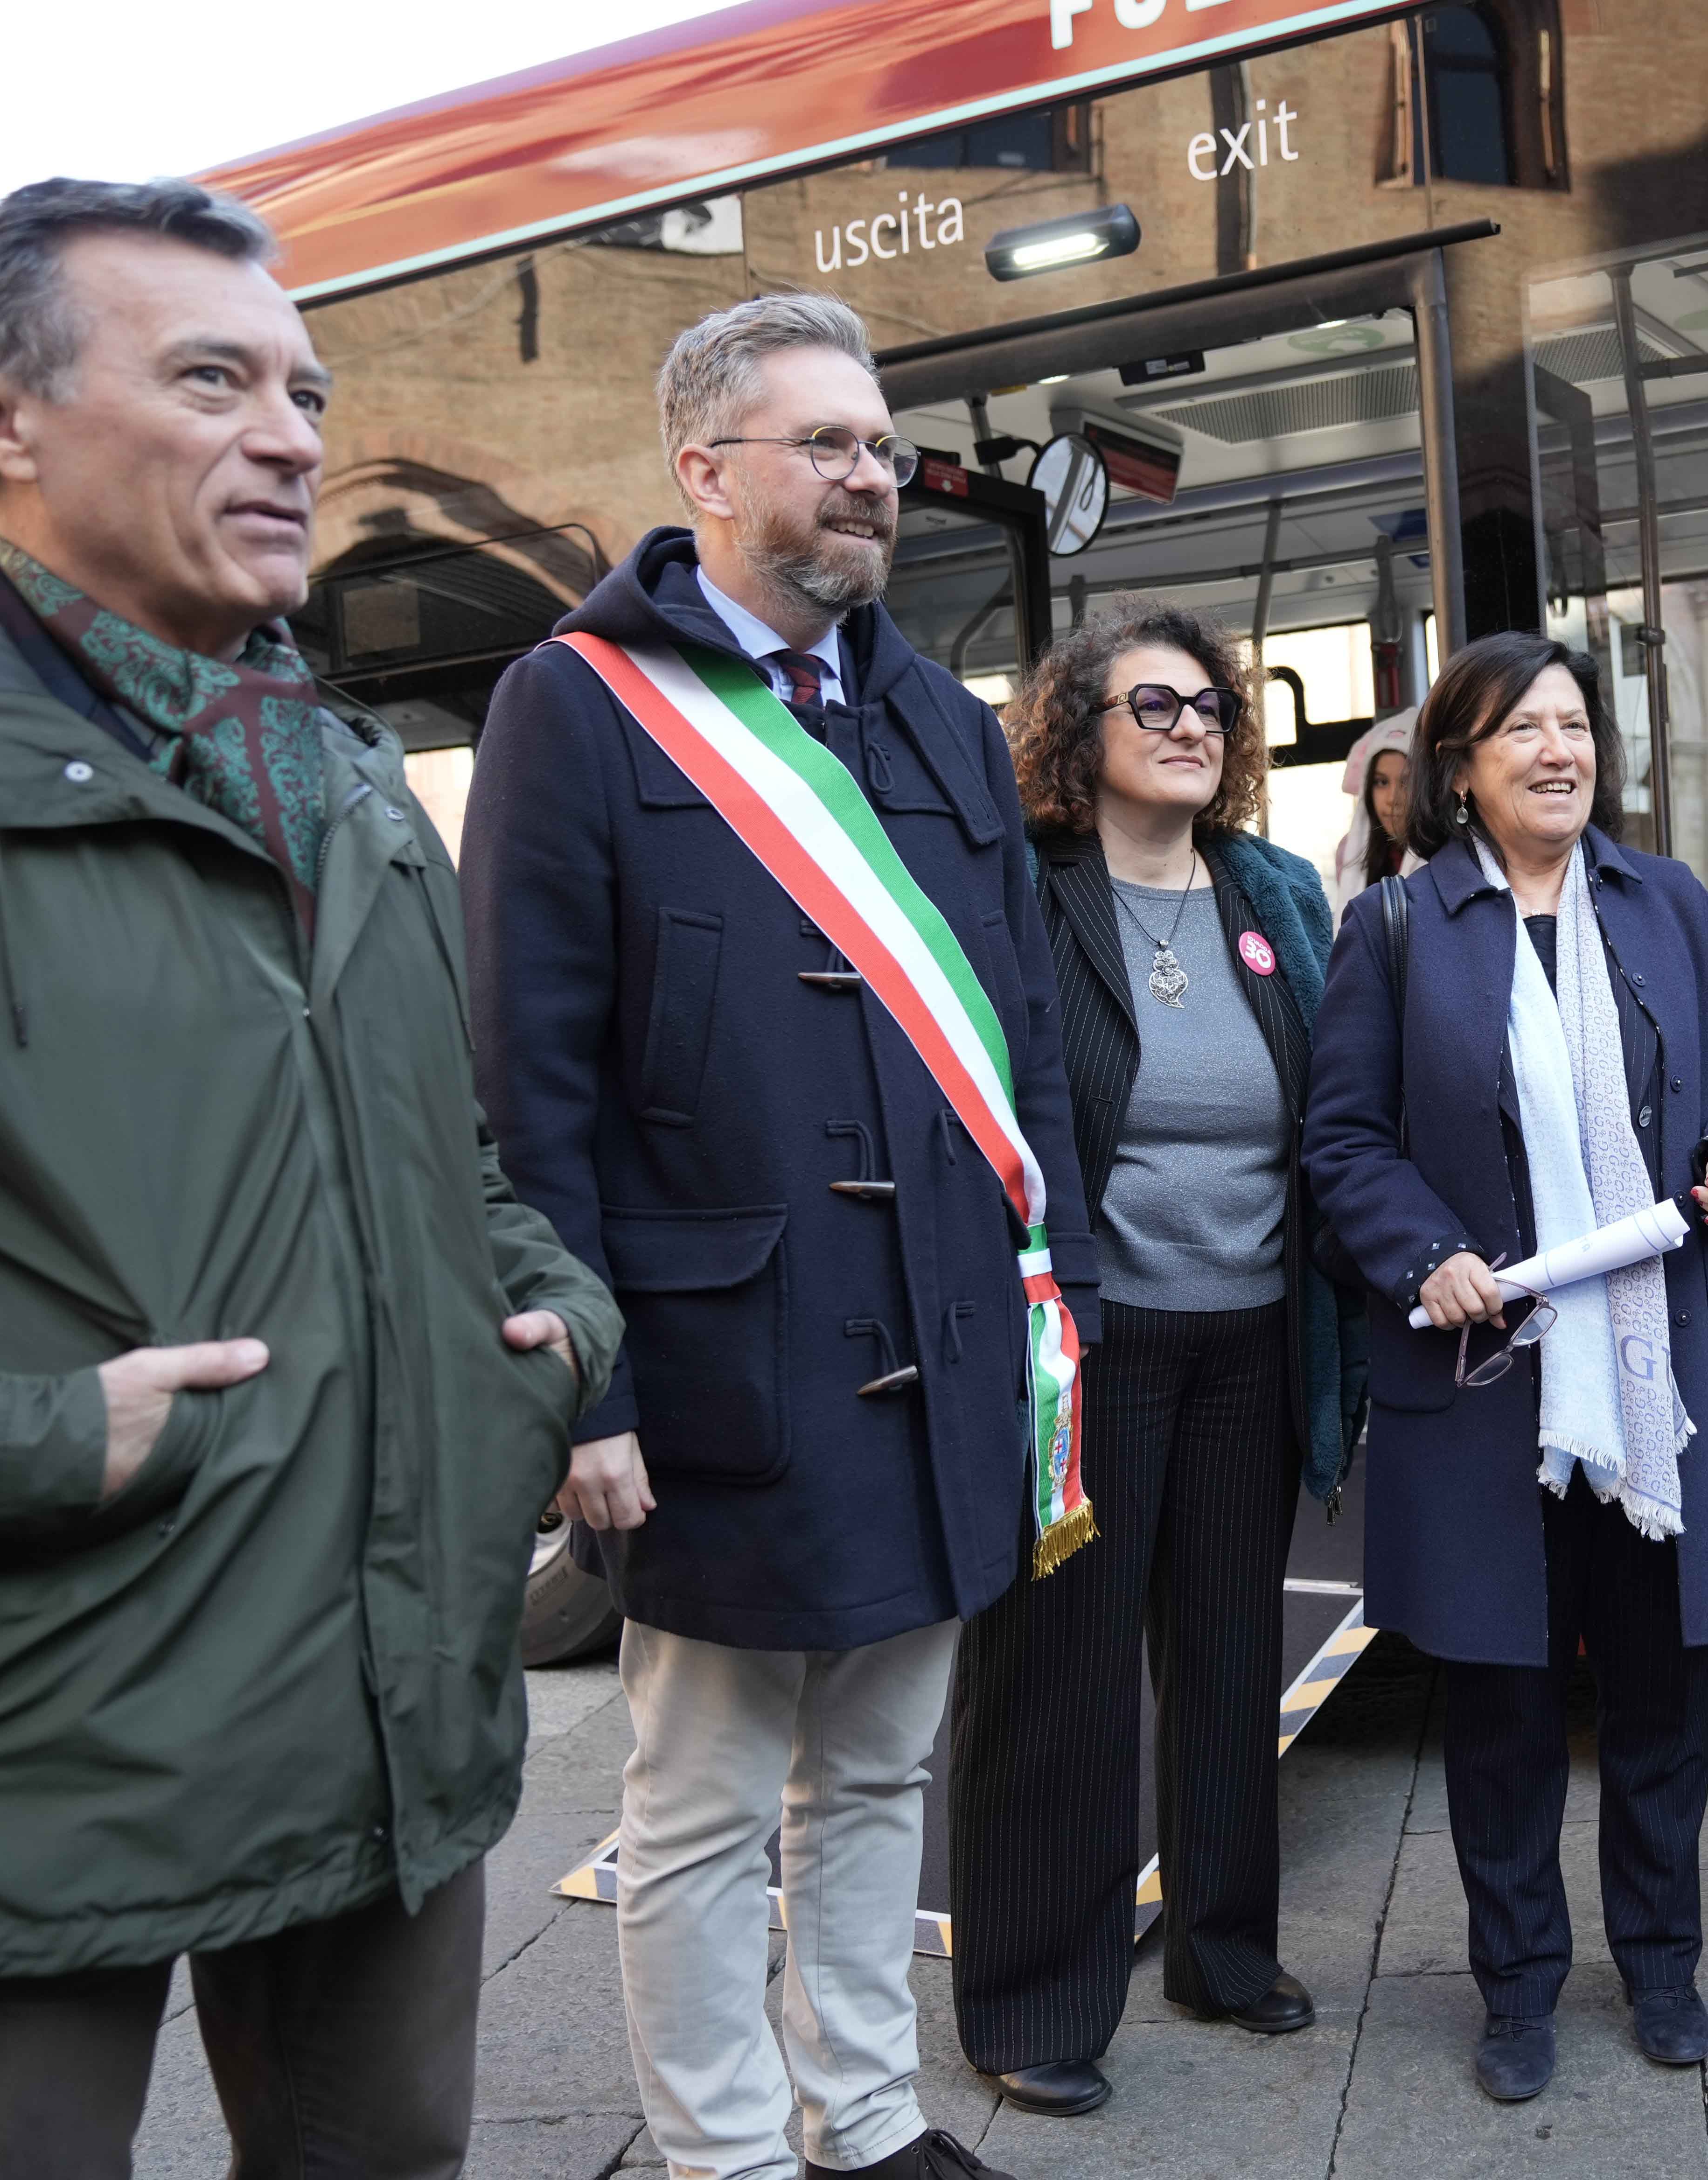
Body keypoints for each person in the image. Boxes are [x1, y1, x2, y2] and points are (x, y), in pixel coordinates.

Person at [0, 179, 621, 2177]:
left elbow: (456, 1148)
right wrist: (45, 1440)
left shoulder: (340, 778)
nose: (291, 436)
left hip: (389, 1710)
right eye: (211, 378)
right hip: (42, 1746)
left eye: (305, 391)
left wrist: (549, 1323)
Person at [463, 293, 1073, 2180]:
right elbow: (526, 1088)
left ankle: (864, 2118)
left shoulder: (935, 712)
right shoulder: (572, 704)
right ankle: (721, 2152)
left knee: (882, 1772)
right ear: (703, 468)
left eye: (882, 446)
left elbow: (1025, 1033)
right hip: (726, 1365)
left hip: (947, 1346)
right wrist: (586, 1392)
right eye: (826, 443)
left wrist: (1055, 1297)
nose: (872, 475)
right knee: (705, 1803)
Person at [1305, 631, 1708, 2103]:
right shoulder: (1396, 930)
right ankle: (1514, 1985)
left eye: (1575, 726)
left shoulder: (1667, 905)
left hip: (1659, 1390)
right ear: (1459, 765)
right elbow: (1342, 1141)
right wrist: (1418, 1252)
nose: (1558, 752)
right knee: (1504, 1716)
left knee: (1661, 1705)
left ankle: (1660, 1966)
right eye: (1522, 731)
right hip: (1488, 1387)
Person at [947, 597, 1362, 2117]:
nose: (1193, 726)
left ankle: (1224, 1951)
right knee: (1057, 1671)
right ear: (1077, 735)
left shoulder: (1267, 891)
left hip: (1251, 1338)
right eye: (1155, 706)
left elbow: (1330, 1098)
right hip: (1091, 1347)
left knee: (1232, 1652)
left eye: (1209, 707)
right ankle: (1030, 2000)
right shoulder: (1031, 896)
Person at [1330, 707, 1416, 908]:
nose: (1393, 799)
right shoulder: (1349, 854)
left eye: (1406, 783)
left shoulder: (1453, 854)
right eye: (1382, 782)